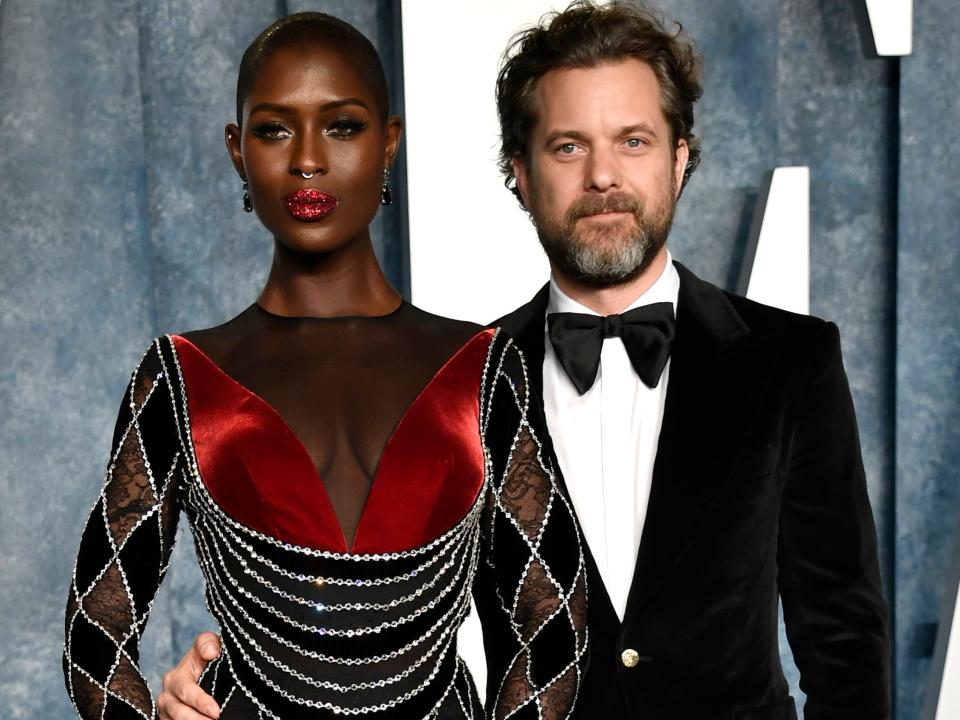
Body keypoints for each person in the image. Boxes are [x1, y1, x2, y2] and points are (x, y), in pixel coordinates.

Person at [158, 2, 892, 718]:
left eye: (632, 141)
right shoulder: (454, 379)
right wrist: (215, 684)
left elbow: (846, 646)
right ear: (520, 172)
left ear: (680, 157)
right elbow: (354, 620)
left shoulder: (791, 361)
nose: (603, 176)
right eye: (569, 146)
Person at [62, 13, 587, 720]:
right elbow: (94, 634)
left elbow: (554, 618)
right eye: (274, 129)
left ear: (388, 143)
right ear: (236, 150)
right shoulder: (182, 375)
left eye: (341, 126)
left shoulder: (481, 367)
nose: (307, 159)